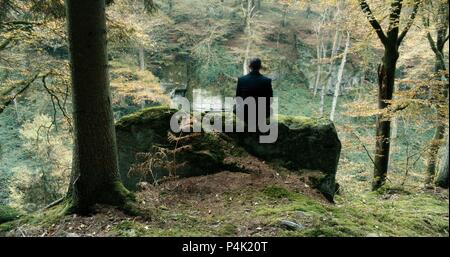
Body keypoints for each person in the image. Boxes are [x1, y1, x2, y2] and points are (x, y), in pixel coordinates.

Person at [235, 58, 273, 130]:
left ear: (249, 66)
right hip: (260, 115)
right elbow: (270, 101)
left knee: (235, 107)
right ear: (260, 67)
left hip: (245, 114)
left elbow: (238, 99)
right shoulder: (267, 81)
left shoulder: (241, 80)